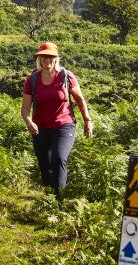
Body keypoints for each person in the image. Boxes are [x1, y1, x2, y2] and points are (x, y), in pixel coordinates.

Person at [20, 42, 92, 208]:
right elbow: (25, 107)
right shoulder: (32, 79)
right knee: (45, 166)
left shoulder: (66, 76)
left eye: (51, 56)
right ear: (39, 59)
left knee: (59, 159)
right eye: (44, 56)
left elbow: (80, 100)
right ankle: (48, 199)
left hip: (64, 125)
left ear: (57, 58)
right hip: (40, 128)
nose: (47, 59)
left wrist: (87, 120)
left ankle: (57, 205)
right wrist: (29, 122)